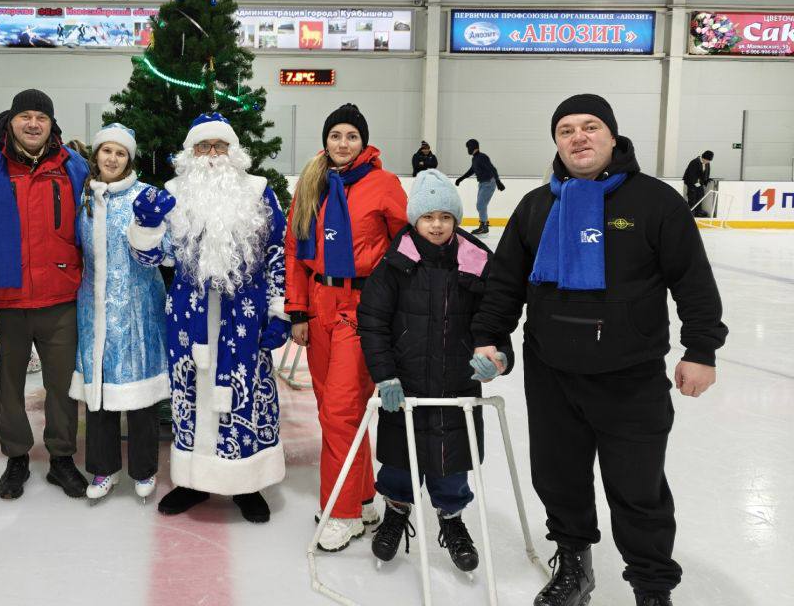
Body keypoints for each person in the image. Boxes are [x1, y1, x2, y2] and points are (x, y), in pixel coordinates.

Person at [471, 94, 727, 606]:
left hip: (630, 374)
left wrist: (701, 349)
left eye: (590, 127)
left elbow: (693, 281)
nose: (578, 138)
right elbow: (504, 284)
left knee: (638, 489)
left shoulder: (655, 202)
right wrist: (492, 338)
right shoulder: (537, 205)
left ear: (612, 136)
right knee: (558, 478)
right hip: (551, 372)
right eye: (566, 130)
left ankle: (652, 586)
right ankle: (574, 566)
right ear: (557, 143)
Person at [127, 112, 289, 522]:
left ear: (234, 152)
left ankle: (246, 484)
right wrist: (145, 225)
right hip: (189, 314)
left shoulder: (257, 191)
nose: (212, 155)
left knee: (245, 392)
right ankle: (193, 480)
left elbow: (277, 251)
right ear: (190, 154)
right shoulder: (173, 192)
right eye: (203, 147)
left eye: (220, 146)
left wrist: (279, 310)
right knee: (189, 392)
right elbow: (150, 257)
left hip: (244, 314)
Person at [357, 169, 513, 570]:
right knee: (398, 460)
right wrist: (384, 374)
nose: (438, 225)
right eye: (429, 217)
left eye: (445, 216)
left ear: (456, 219)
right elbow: (372, 322)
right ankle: (395, 512)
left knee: (451, 463)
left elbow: (496, 321)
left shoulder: (478, 262)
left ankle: (452, 519)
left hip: (456, 386)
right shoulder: (394, 264)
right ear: (415, 220)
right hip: (404, 385)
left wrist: (497, 358)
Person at [0, 89, 91, 500]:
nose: (33, 123)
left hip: (60, 300)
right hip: (4, 305)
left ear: (52, 124)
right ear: (9, 121)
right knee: (8, 389)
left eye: (41, 117)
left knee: (62, 388)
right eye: (25, 116)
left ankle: (62, 457)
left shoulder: (74, 169)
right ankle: (17, 457)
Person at [284, 104, 408, 551]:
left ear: (364, 141)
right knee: (334, 411)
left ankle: (341, 511)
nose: (342, 143)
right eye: (335, 135)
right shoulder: (312, 182)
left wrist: (392, 305)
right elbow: (294, 249)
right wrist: (298, 310)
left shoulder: (384, 184)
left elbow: (405, 245)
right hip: (318, 303)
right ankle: (361, 495)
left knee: (341, 409)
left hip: (361, 306)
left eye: (351, 136)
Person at [70, 124, 169, 501]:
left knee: (140, 396)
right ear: (96, 156)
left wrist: (148, 234)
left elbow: (168, 251)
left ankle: (144, 469)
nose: (112, 158)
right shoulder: (85, 197)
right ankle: (101, 469)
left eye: (121, 153)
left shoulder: (147, 196)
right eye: (106, 151)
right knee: (99, 395)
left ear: (130, 159)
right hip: (93, 310)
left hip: (138, 309)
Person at [455, 138, 505, 236]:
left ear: (473, 147)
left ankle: (484, 227)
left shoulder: (482, 157)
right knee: (481, 205)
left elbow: (492, 168)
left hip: (488, 183)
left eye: (468, 147)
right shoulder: (475, 158)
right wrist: (461, 179)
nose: (467, 150)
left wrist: (498, 181)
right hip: (482, 183)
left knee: (480, 205)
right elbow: (471, 171)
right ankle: (484, 224)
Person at [682, 150, 714, 217]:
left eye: (709, 161)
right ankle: (691, 212)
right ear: (703, 158)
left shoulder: (707, 163)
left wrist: (707, 179)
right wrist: (696, 183)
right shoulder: (694, 162)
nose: (708, 162)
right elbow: (691, 175)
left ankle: (698, 211)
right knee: (692, 197)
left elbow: (706, 173)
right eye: (707, 160)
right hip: (691, 183)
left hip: (699, 184)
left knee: (700, 196)